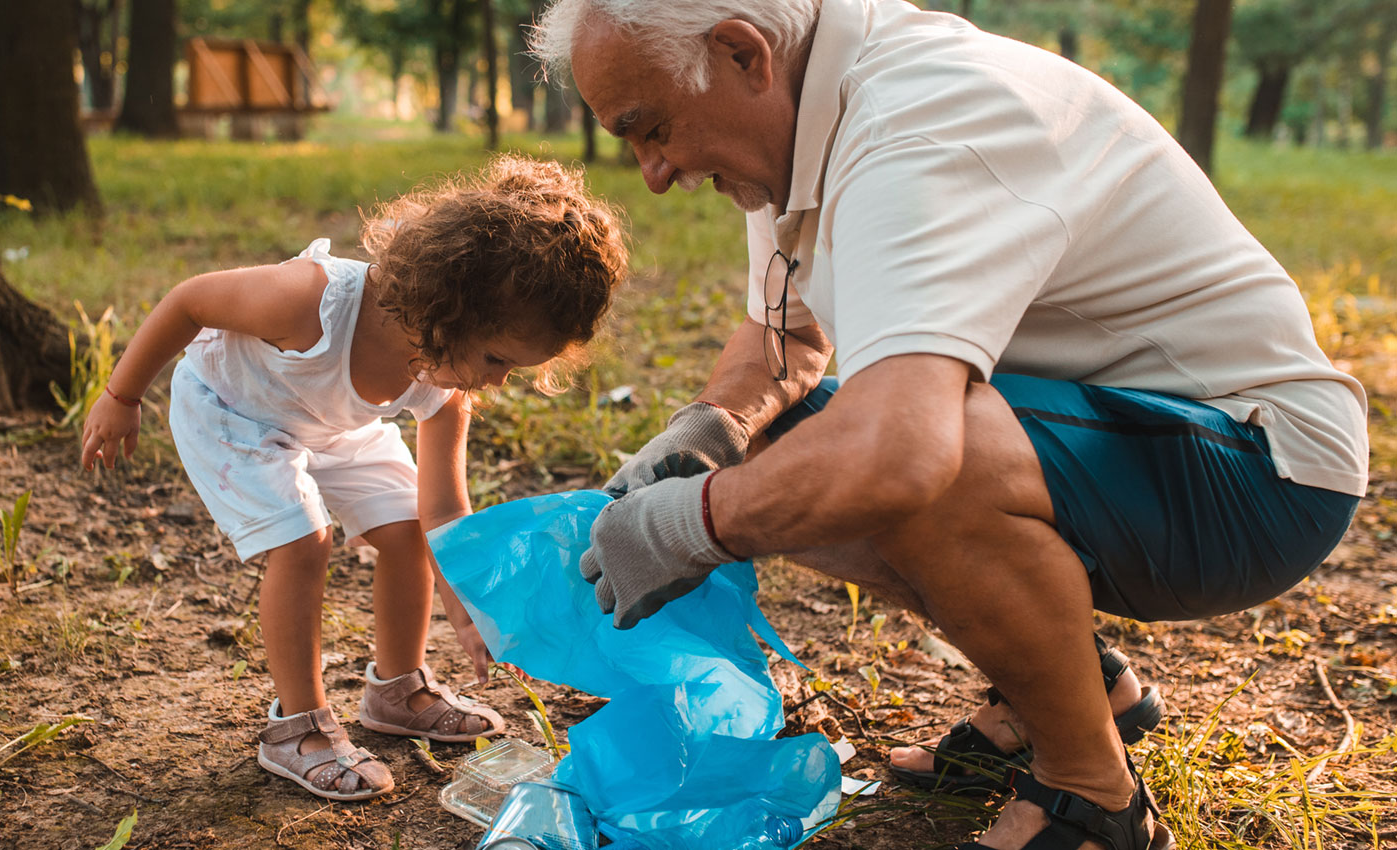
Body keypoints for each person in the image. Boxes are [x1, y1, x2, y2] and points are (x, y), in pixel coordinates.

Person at [531, 2, 1367, 849]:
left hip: (1259, 470)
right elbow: (785, 331)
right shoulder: (798, 122)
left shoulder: (920, 126)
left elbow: (899, 453)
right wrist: (704, 434)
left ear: (742, 53)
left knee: (918, 456)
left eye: (652, 129)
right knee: (781, 447)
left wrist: (692, 523)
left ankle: (1091, 796)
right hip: (1120, 437)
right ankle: (1075, 691)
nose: (652, 172)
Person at [78, 156, 629, 802]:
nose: (498, 380)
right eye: (498, 359)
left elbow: (442, 512)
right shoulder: (310, 300)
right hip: (232, 410)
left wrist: (466, 608)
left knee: (400, 530)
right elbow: (190, 301)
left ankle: (396, 688)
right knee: (302, 541)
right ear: (451, 308)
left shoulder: (445, 382)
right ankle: (296, 726)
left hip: (329, 423)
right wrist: (121, 395)